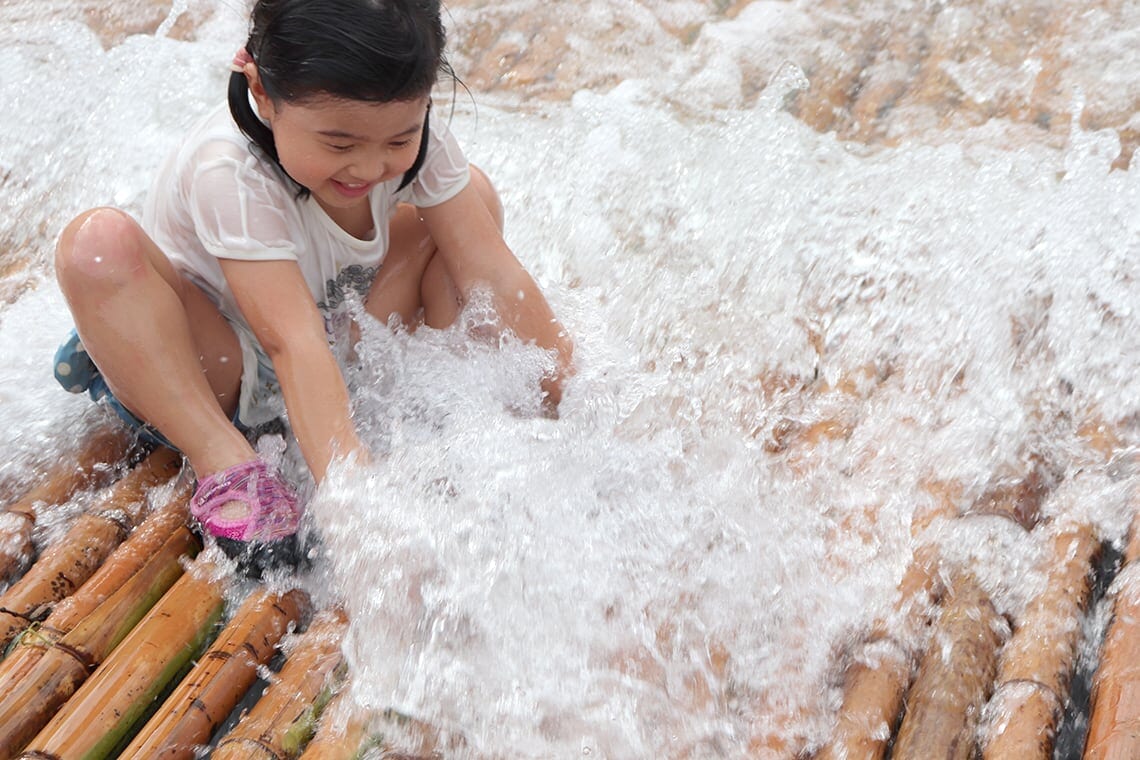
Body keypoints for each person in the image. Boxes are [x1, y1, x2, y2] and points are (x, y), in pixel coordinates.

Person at [51, 0, 572, 565]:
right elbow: (289, 339)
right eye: (340, 145)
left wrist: (575, 393)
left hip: (333, 333)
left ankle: (459, 414)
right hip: (222, 364)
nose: (371, 168)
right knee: (95, 246)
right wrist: (360, 509)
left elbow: (490, 269)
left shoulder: (417, 142)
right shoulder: (228, 168)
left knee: (473, 200)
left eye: (399, 139)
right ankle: (224, 461)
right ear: (261, 92)